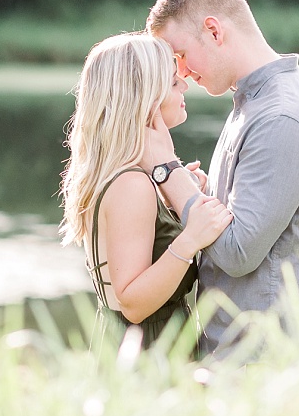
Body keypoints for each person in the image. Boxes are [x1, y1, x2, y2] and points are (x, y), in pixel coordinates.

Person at [142, 0, 299, 358]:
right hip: (242, 359)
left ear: (215, 31)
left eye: (181, 54)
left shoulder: (281, 116)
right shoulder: (253, 104)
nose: (181, 72)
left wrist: (166, 171)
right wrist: (199, 194)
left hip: (270, 366)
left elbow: (238, 252)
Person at [59, 31, 232, 351]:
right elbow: (134, 304)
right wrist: (190, 237)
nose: (185, 83)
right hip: (148, 356)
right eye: (171, 80)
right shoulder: (131, 185)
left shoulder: (132, 178)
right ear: (143, 97)